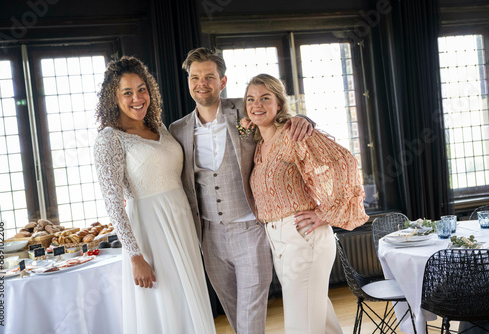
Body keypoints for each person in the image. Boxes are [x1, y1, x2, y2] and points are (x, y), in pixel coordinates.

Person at [169, 47, 314, 334]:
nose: (202, 83)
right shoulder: (177, 130)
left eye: (209, 76)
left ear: (222, 81)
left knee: (251, 311)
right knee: (234, 311)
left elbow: (278, 113)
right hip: (210, 237)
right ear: (188, 82)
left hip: (250, 231)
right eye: (195, 77)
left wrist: (303, 119)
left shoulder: (246, 109)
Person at [93, 56, 215, 334]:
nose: (137, 98)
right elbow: (113, 203)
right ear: (114, 98)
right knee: (165, 301)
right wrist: (135, 256)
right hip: (150, 232)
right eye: (127, 92)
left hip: (181, 224)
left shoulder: (159, 128)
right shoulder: (109, 138)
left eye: (142, 89)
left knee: (188, 297)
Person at [245, 74, 369, 333]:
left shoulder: (293, 133)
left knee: (302, 325)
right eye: (251, 99)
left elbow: (343, 162)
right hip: (277, 241)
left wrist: (326, 213)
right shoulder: (257, 144)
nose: (257, 104)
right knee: (319, 320)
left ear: (278, 104)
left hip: (303, 238)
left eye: (265, 98)